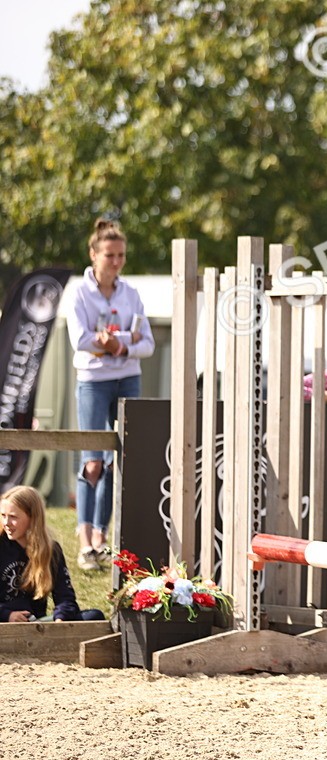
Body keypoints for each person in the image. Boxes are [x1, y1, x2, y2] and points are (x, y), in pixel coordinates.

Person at [66, 218, 155, 571]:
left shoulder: (130, 293)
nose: (116, 262)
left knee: (121, 459)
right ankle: (84, 539)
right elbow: (80, 340)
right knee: (93, 462)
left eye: (121, 255)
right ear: (94, 255)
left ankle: (103, 538)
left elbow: (146, 343)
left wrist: (120, 345)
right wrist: (116, 342)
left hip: (127, 379)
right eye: (109, 255)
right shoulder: (79, 292)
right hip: (92, 381)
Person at [0, 486, 104, 622]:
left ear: (32, 517)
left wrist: (60, 618)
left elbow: (66, 599)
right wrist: (8, 615)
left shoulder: (51, 550)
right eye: (3, 516)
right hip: (4, 622)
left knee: (94, 616)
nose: (6, 523)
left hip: (36, 624)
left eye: (13, 517)